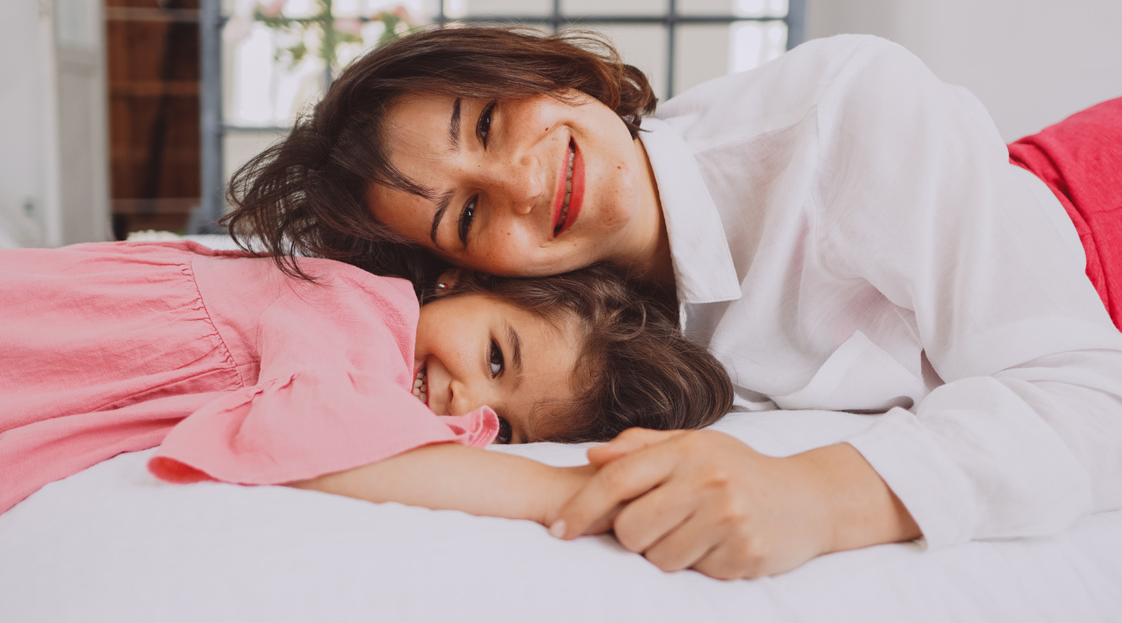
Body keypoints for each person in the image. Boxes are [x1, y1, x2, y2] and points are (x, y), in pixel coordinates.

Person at [225, 26, 1122, 579]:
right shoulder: (577, 345)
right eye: (466, 215)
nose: (522, 181)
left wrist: (818, 494)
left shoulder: (845, 114)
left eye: (489, 122)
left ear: (543, 70)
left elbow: (1091, 396)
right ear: (464, 276)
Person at [0, 239, 733, 518]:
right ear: (460, 279)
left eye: (505, 427)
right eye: (496, 357)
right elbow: (318, 431)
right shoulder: (350, 303)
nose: (465, 399)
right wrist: (569, 491)